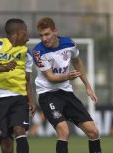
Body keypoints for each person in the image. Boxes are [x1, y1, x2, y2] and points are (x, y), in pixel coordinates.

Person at [32, 17, 102, 153]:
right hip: (48, 95)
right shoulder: (38, 52)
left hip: (66, 92)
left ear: (55, 31)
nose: (44, 38)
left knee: (93, 131)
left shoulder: (69, 43)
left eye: (47, 34)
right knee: (64, 131)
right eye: (41, 35)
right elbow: (50, 77)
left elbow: (77, 62)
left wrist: (88, 86)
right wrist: (66, 76)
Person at [0, 18, 35, 153]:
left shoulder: (27, 53)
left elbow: (27, 80)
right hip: (0, 100)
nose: (27, 38)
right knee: (5, 141)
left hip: (19, 98)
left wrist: (31, 100)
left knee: (20, 130)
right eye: (25, 33)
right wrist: (4, 68)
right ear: (16, 33)